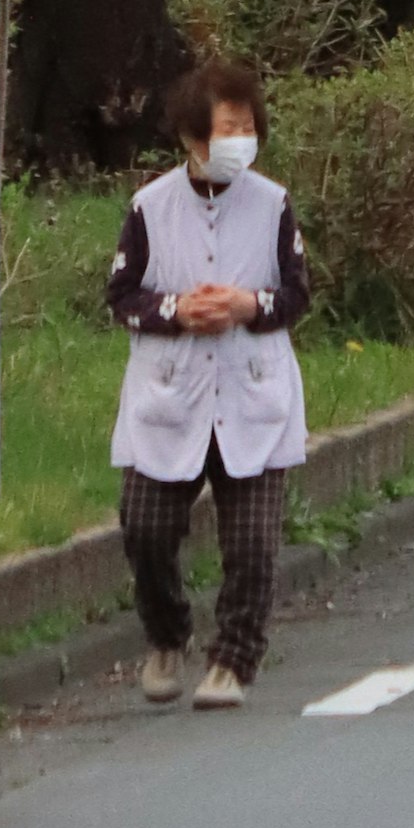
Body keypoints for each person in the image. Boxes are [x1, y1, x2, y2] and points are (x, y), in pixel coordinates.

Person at [107, 51, 313, 708]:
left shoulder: (273, 204)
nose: (238, 142)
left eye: (247, 128)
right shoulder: (150, 208)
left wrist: (250, 307)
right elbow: (121, 296)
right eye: (226, 130)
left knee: (252, 542)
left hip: (252, 394)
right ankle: (166, 635)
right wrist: (176, 311)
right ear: (193, 138)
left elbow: (298, 294)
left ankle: (234, 659)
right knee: (143, 527)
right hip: (170, 396)